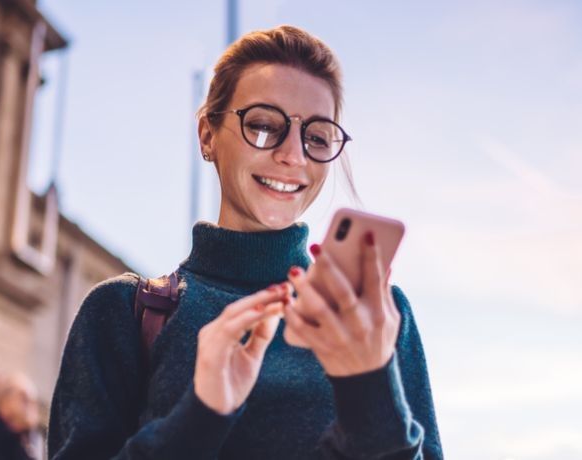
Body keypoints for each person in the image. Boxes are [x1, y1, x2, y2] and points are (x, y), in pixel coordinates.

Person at [48, 25, 442, 459]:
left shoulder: (379, 318)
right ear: (207, 135)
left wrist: (372, 395)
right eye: (262, 125)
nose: (293, 155)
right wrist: (201, 416)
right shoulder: (123, 312)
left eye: (316, 137)